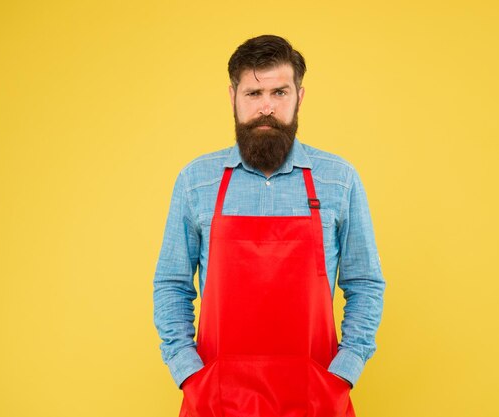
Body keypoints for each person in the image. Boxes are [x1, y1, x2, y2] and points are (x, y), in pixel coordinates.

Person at [153, 34, 385, 417]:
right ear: (232, 97)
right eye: (253, 94)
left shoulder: (338, 179)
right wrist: (189, 374)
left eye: (279, 92)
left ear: (300, 96)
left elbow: (365, 283)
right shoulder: (197, 181)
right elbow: (171, 283)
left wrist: (343, 373)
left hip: (314, 397)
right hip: (217, 399)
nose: (266, 108)